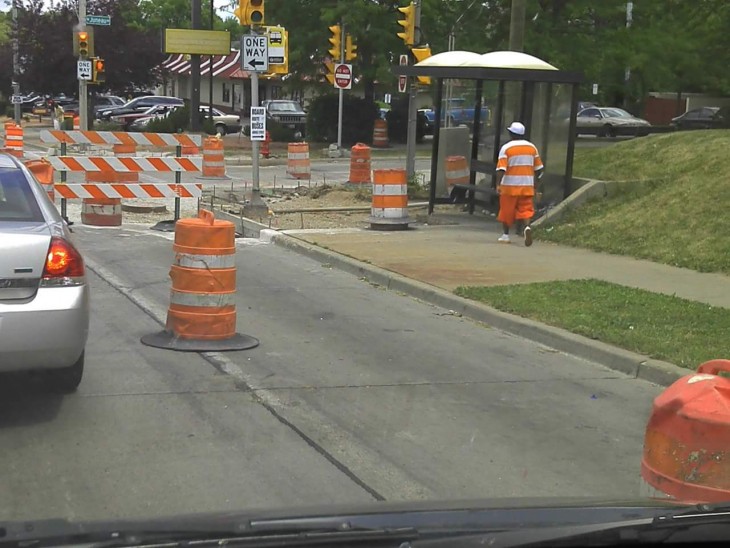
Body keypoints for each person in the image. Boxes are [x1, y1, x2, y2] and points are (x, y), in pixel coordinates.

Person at [494, 121, 543, 246]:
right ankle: (527, 227)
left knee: (506, 210)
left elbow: (501, 169)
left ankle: (505, 235)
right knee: (526, 209)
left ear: (511, 134)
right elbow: (538, 169)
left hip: (509, 186)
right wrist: (536, 185)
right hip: (527, 185)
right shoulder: (532, 148)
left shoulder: (506, 148)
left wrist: (498, 184)